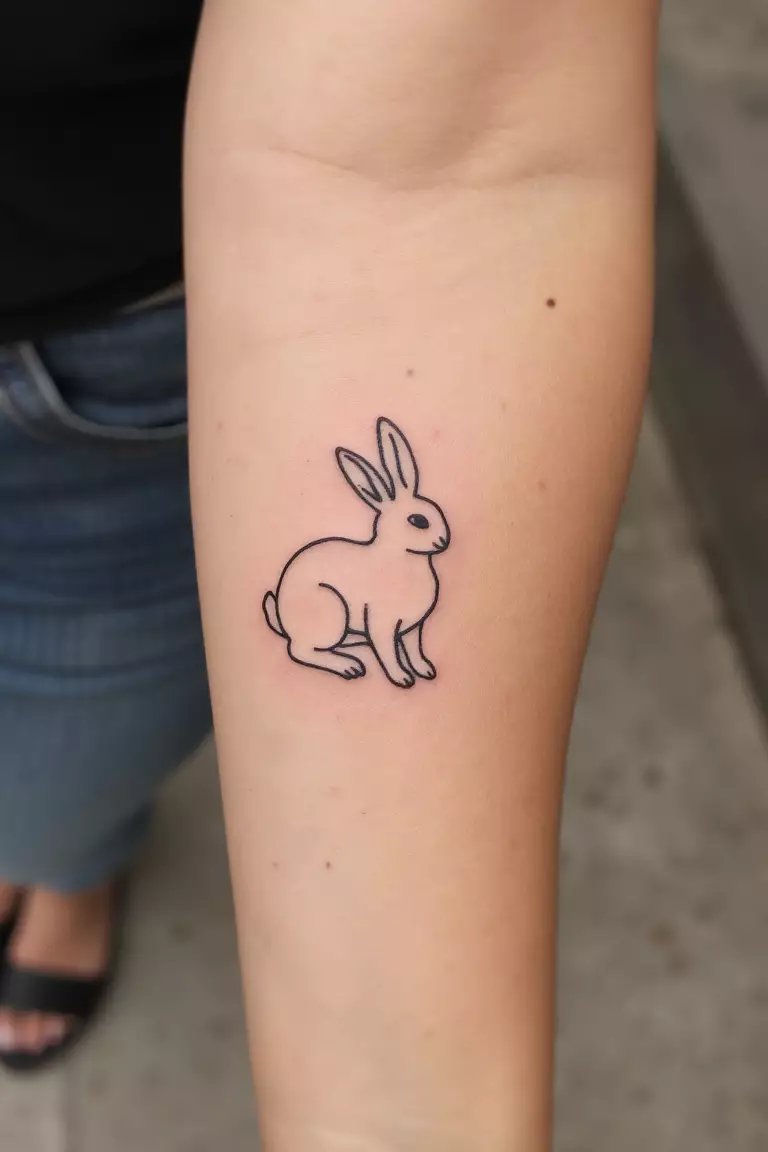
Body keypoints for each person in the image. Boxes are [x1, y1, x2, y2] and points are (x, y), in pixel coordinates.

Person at [1, 0, 659, 1146]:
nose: (428, 539)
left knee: (59, 777)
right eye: (417, 522)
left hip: (104, 349)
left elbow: (443, 159)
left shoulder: (392, 564)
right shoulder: (367, 558)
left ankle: (65, 864)